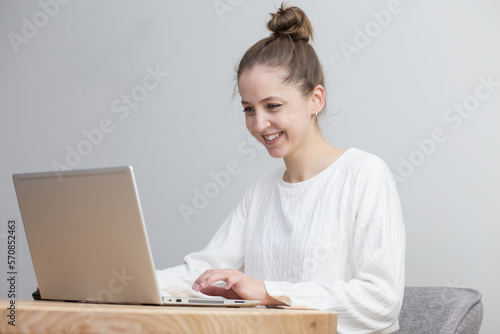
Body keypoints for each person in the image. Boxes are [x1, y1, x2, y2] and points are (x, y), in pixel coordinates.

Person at [156, 4, 405, 333]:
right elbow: (203, 271)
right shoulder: (261, 192)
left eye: (272, 106)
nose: (259, 124)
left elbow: (381, 301)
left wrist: (268, 292)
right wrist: (121, 283)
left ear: (315, 100)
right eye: (248, 109)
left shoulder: (364, 175)